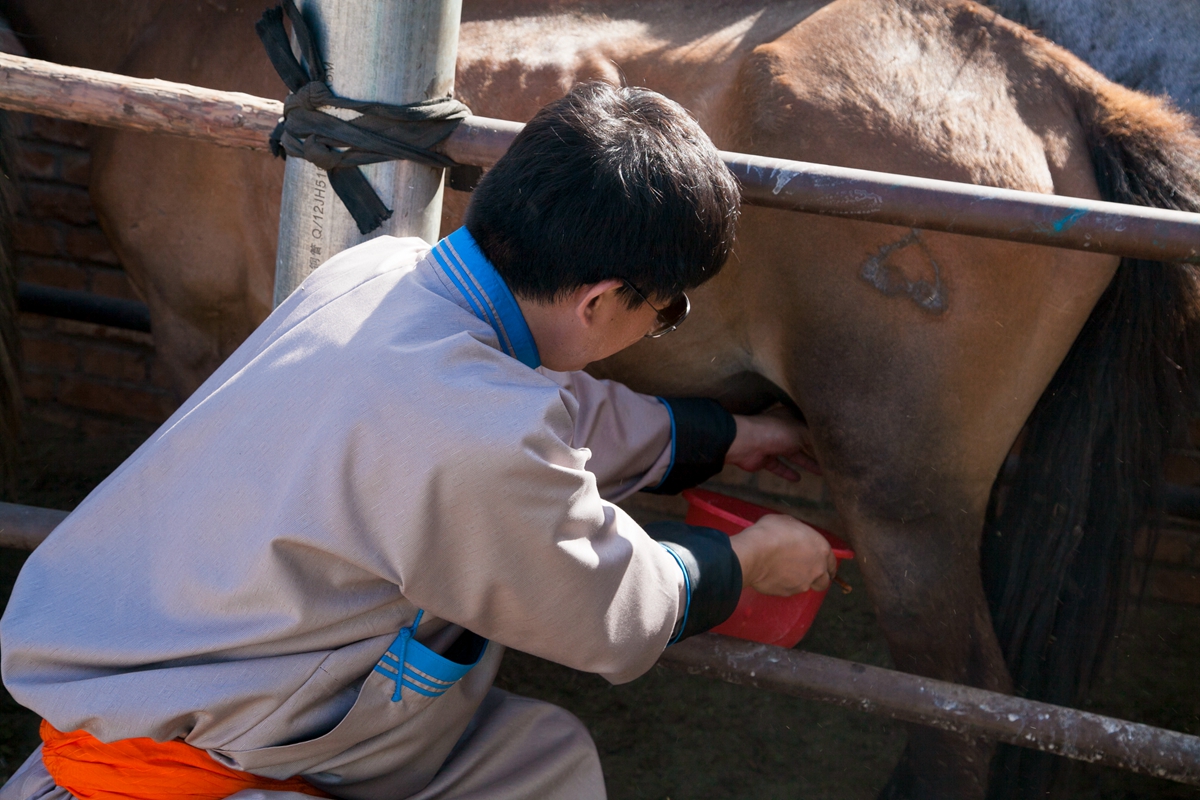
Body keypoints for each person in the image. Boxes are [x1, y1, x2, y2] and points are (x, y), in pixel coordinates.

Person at [0, 83, 836, 800]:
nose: (664, 325)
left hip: (161, 666)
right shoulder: (479, 433)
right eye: (668, 309)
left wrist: (724, 436)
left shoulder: (383, 271)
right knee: (534, 766)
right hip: (203, 756)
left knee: (534, 756)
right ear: (600, 300)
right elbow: (606, 608)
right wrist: (750, 561)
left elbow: (531, 417)